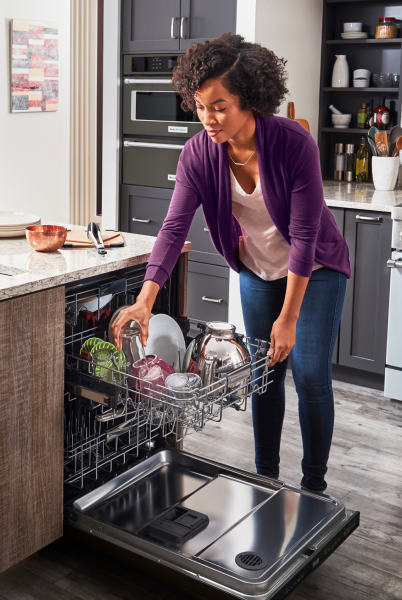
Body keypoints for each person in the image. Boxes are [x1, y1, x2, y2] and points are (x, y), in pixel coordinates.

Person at [110, 33, 351, 493]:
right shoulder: (198, 155)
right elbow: (173, 229)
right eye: (200, 105)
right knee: (266, 375)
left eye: (219, 106)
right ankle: (267, 480)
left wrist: (289, 318)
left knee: (310, 373)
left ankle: (313, 487)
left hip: (315, 269)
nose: (208, 118)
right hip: (258, 271)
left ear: (250, 99)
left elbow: (305, 236)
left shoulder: (293, 144)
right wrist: (145, 300)